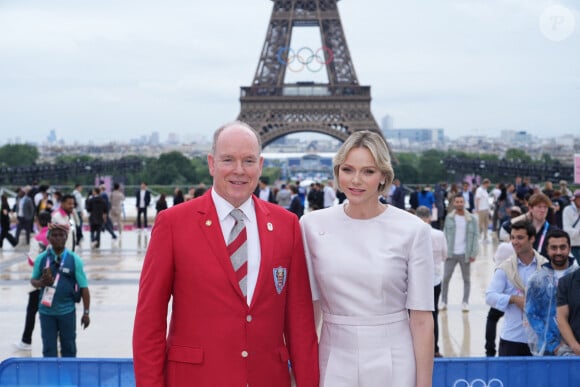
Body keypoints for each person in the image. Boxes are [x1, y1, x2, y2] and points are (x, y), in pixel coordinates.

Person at [132, 121, 319, 386]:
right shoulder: (173, 224)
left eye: (248, 161)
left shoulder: (286, 225)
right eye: (228, 159)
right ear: (211, 163)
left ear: (261, 165)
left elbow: (300, 324)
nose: (239, 170)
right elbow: (149, 322)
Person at [300, 130, 433, 387]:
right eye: (348, 169)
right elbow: (310, 310)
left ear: (383, 175)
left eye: (368, 171)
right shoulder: (310, 226)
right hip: (333, 354)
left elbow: (421, 319)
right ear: (337, 171)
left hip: (395, 356)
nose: (356, 180)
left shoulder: (413, 230)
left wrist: (424, 384)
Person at [486, 220, 548, 356]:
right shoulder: (505, 268)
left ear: (532, 239)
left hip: (540, 337)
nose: (515, 242)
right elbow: (489, 296)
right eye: (512, 237)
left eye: (520, 237)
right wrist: (513, 299)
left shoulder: (545, 266)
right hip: (512, 338)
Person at [30, 223, 90, 357]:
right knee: (48, 349)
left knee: (69, 348)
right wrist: (41, 282)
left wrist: (86, 312)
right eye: (54, 235)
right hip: (46, 313)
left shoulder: (74, 260)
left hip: (67, 312)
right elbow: (33, 280)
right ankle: (51, 377)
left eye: (61, 235)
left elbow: (84, 287)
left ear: (66, 237)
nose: (58, 238)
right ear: (49, 238)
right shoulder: (41, 259)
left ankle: (69, 376)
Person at [525, 229, 577, 355]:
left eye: (562, 247)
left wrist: (574, 344)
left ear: (569, 248)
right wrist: (554, 344)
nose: (558, 252)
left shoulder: (577, 276)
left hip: (577, 348)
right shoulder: (536, 280)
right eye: (554, 248)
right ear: (547, 250)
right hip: (547, 349)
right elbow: (532, 314)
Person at [13, 211, 52, 351]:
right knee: (51, 311)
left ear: (38, 222)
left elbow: (33, 261)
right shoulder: (56, 235)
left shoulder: (38, 238)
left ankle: (26, 341)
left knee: (32, 310)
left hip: (38, 282)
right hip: (53, 281)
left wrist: (29, 256)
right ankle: (56, 340)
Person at [416, 205, 447, 358]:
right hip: (434, 279)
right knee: (433, 314)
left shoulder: (413, 233)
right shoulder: (439, 234)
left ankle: (416, 348)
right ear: (429, 217)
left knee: (414, 315)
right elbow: (445, 255)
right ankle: (434, 349)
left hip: (416, 281)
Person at [440, 195, 479, 312]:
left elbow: (476, 236)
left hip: (465, 254)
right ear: (454, 204)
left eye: (461, 202)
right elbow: (444, 235)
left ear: (464, 203)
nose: (459, 204)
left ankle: (465, 302)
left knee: (466, 279)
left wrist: (473, 253)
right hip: (450, 253)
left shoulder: (471, 219)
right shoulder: (449, 218)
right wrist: (444, 251)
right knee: (446, 278)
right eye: (457, 202)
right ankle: (443, 301)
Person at [562, 189, 580, 263]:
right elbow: (566, 229)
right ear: (574, 199)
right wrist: (578, 232)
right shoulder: (568, 210)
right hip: (573, 245)